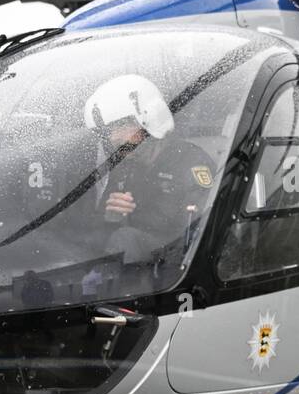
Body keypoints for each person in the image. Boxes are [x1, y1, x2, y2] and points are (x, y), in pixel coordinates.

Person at [81, 74, 218, 287]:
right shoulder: (126, 166)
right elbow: (99, 228)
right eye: (108, 131)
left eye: (121, 126)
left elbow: (198, 232)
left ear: (150, 118)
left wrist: (135, 216)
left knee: (126, 239)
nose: (113, 137)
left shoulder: (191, 163)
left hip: (174, 266)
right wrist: (111, 215)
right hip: (139, 260)